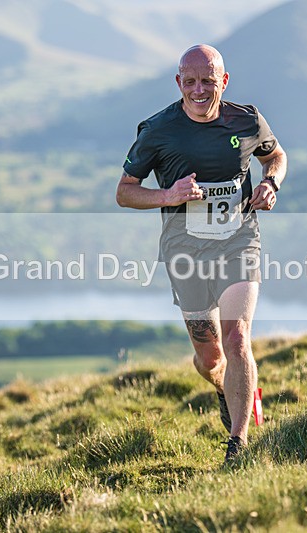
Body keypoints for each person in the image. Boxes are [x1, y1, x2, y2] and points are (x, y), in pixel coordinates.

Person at [116, 44, 287, 464]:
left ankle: (239, 443)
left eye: (208, 80)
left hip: (238, 240)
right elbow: (124, 192)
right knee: (211, 356)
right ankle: (223, 386)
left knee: (237, 337)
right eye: (189, 81)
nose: (198, 89)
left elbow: (276, 157)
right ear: (178, 83)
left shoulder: (246, 120)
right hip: (184, 250)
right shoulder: (157, 130)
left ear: (223, 81)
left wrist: (271, 184)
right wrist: (168, 194)